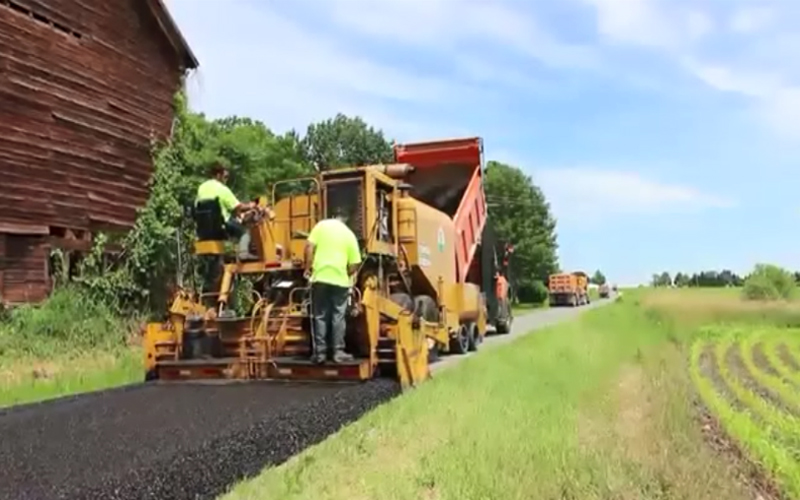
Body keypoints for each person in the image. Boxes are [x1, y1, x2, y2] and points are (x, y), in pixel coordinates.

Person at [304, 207, 362, 364]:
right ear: (346, 218)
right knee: (338, 316)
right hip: (340, 281)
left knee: (320, 315)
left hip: (320, 278)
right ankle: (337, 352)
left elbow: (309, 247)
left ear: (333, 215)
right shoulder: (349, 235)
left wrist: (308, 268)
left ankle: (320, 354)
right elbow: (355, 263)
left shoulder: (321, 226)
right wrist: (345, 273)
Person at [195, 164, 258, 261]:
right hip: (221, 224)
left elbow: (197, 205)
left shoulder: (202, 187)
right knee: (245, 232)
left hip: (203, 228)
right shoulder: (221, 188)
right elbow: (238, 207)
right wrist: (251, 205)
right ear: (218, 175)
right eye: (225, 177)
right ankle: (244, 254)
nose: (226, 180)